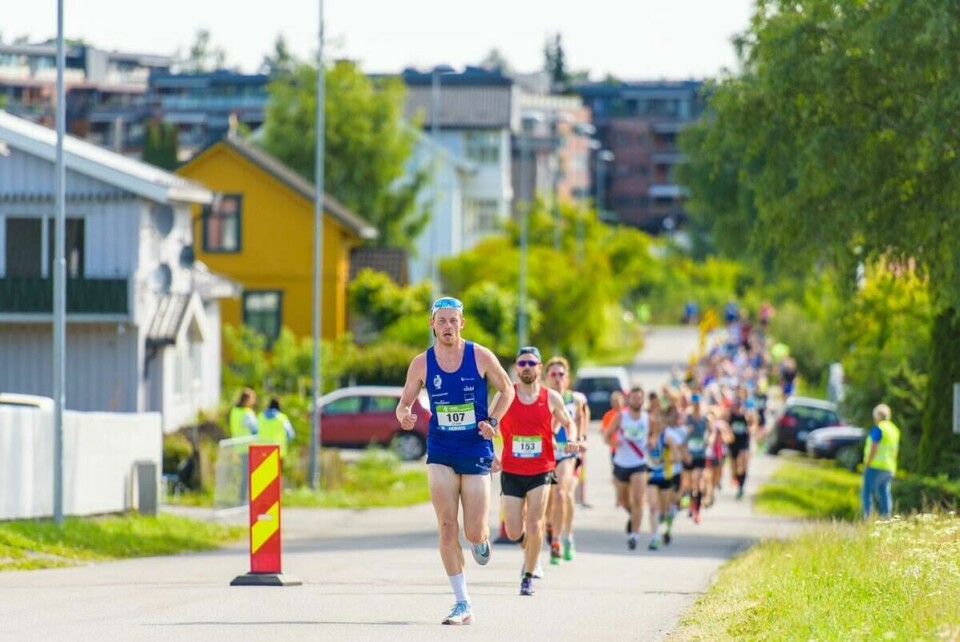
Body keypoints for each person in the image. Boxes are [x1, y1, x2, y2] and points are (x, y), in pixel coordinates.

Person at [396, 296, 515, 626]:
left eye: (453, 320)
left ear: (462, 323)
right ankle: (462, 603)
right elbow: (404, 402)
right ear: (432, 324)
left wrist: (492, 422)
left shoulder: (479, 355)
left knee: (473, 531)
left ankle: (481, 540)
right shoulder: (421, 363)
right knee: (447, 525)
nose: (448, 326)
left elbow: (507, 390)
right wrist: (404, 415)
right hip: (441, 448)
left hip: (476, 448)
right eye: (442, 320)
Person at [496, 346, 576, 596]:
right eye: (522, 364)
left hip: (541, 469)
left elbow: (568, 422)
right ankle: (528, 550)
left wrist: (571, 437)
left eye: (531, 363)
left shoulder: (551, 397)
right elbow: (489, 423)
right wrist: (488, 453)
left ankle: (528, 576)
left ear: (540, 368)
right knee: (513, 530)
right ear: (516, 369)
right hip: (511, 468)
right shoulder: (505, 395)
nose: (527, 367)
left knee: (535, 523)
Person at [544, 356, 587, 564]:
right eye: (553, 374)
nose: (557, 378)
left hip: (568, 453)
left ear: (567, 378)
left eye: (561, 374)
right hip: (548, 453)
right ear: (546, 378)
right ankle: (554, 530)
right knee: (552, 499)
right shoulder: (542, 398)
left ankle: (560, 540)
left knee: (563, 494)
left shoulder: (575, 400)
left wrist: (581, 439)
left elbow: (582, 420)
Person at [603, 387, 649, 550]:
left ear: (643, 400)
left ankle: (634, 536)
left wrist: (652, 442)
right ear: (629, 400)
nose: (637, 401)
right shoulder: (621, 417)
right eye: (634, 398)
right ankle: (633, 515)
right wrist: (615, 443)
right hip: (621, 463)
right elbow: (606, 436)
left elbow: (655, 435)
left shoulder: (647, 418)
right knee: (624, 500)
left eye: (639, 398)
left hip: (639, 463)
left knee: (638, 500)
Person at [862, 403, 900, 519]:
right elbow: (896, 450)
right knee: (884, 492)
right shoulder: (894, 430)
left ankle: (867, 518)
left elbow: (874, 447)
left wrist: (867, 463)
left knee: (867, 492)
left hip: (875, 466)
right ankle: (886, 518)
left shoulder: (879, 428)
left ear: (877, 416)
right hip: (889, 467)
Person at [229, 387, 258, 503]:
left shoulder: (234, 412)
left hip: (238, 446)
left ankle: (242, 498)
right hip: (248, 446)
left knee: (243, 474)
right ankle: (245, 499)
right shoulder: (247, 413)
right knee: (248, 475)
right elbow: (255, 429)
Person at [257, 397, 295, 462]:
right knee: (277, 471)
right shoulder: (282, 418)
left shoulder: (260, 416)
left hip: (263, 451)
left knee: (265, 471)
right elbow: (291, 435)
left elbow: (255, 431)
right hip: (278, 451)